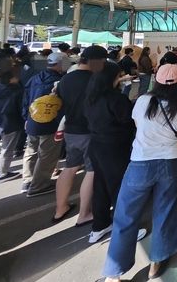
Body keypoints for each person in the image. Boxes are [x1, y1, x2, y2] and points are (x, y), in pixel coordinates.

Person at [102, 64, 177, 281]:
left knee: (125, 215)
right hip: (170, 163)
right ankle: (157, 262)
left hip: (140, 163)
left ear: (156, 80)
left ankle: (113, 274)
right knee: (165, 211)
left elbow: (137, 124)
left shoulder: (144, 101)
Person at [85, 61, 144, 244]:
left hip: (96, 146)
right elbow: (128, 121)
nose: (120, 79)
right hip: (115, 148)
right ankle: (127, 230)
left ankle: (99, 225)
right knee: (120, 187)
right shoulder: (116, 99)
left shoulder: (91, 96)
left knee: (100, 185)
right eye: (118, 76)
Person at [52, 45, 107, 225]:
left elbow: (57, 101)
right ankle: (84, 214)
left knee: (70, 168)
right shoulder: (95, 80)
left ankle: (61, 208)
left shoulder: (66, 79)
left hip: (71, 131)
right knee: (92, 171)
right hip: (90, 132)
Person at [21, 52, 69, 197]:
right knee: (47, 155)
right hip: (51, 124)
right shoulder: (61, 82)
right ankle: (39, 185)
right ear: (60, 64)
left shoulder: (35, 78)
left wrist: (26, 117)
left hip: (32, 121)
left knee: (31, 150)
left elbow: (25, 99)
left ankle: (27, 180)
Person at [0, 68, 24, 184]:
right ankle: (2, 173)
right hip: (10, 124)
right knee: (7, 149)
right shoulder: (16, 91)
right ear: (10, 79)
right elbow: (21, 108)